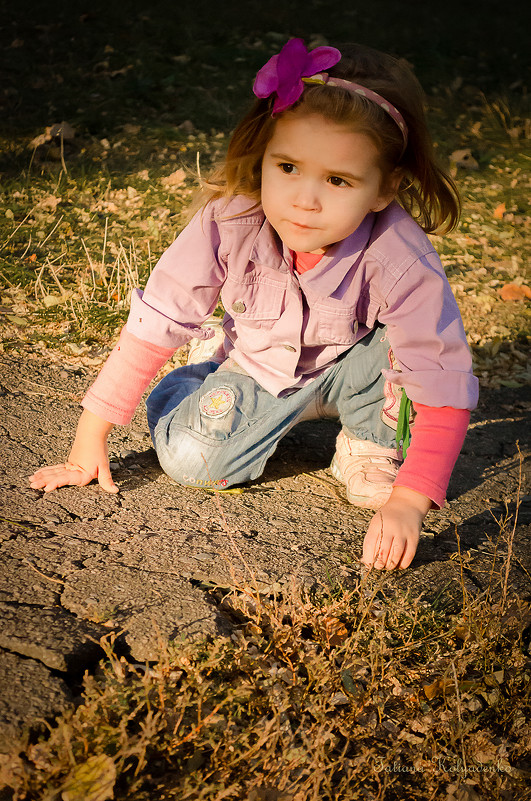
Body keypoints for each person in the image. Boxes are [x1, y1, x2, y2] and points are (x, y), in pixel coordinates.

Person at [29, 39, 478, 571]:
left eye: (337, 180)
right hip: (259, 369)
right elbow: (159, 320)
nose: (304, 200)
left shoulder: (401, 256)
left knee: (399, 351)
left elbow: (440, 370)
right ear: (263, 155)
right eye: (287, 167)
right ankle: (194, 385)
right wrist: (89, 439)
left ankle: (367, 437)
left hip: (352, 363)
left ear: (385, 188)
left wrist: (410, 500)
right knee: (194, 461)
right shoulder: (229, 222)